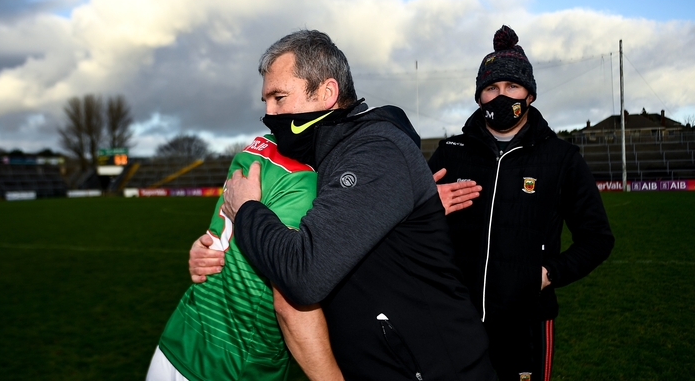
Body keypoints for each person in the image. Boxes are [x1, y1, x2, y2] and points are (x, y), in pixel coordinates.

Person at [216, 30, 495, 380]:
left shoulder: (374, 149)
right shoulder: (329, 155)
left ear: (328, 92)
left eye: (279, 97)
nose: (270, 113)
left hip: (432, 368)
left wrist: (246, 210)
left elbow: (304, 274)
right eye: (266, 102)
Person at [427, 25, 615, 381]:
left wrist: (548, 275)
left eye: (512, 87)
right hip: (454, 320)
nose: (501, 96)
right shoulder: (450, 153)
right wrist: (425, 205)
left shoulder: (561, 158)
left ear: (529, 95)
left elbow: (598, 239)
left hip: (525, 324)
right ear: (479, 97)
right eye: (491, 88)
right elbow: (411, 229)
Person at [148, 134, 343, 381]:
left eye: (278, 98)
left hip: (180, 336)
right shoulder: (303, 177)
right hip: (232, 363)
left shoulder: (257, 148)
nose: (269, 113)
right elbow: (290, 303)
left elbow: (222, 234)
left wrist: (205, 246)